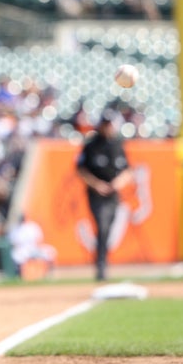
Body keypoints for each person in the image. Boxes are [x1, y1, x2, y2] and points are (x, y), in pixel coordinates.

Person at [75, 110, 132, 282]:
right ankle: (101, 264)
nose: (107, 127)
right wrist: (97, 184)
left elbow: (127, 170)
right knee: (102, 225)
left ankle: (103, 261)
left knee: (108, 227)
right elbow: (81, 169)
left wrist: (117, 183)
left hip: (113, 194)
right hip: (96, 194)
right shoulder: (91, 145)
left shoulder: (117, 144)